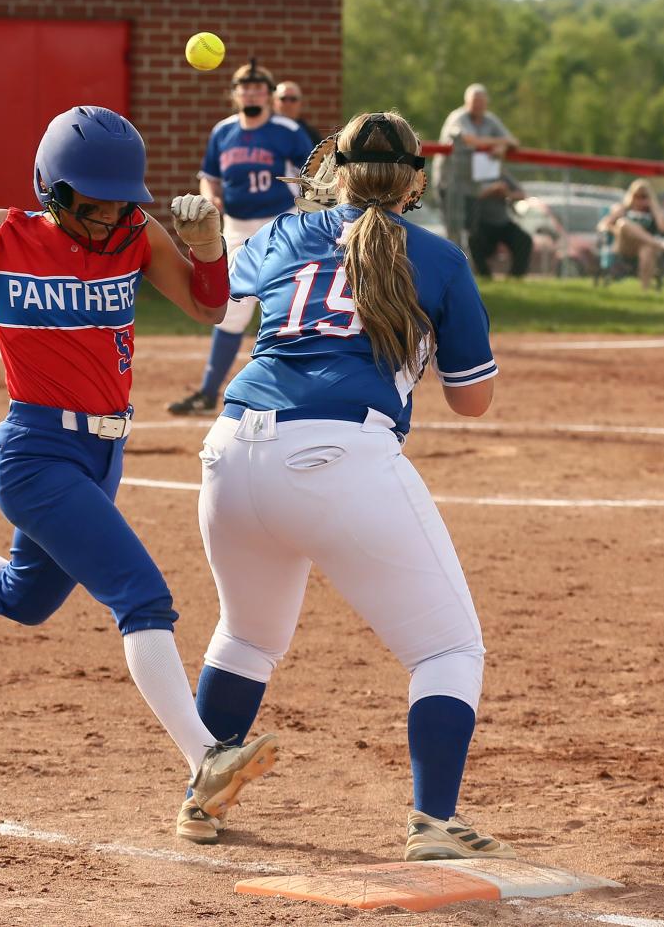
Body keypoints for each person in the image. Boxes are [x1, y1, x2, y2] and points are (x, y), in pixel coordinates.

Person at [0, 106, 279, 839]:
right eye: (91, 205)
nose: (107, 219)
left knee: (24, 597)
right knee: (143, 597)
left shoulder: (135, 235)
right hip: (35, 455)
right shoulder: (1, 234)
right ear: (53, 191)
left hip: (103, 456)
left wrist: (207, 248)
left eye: (118, 204)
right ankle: (206, 758)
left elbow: (210, 308)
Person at [185, 111, 514, 860]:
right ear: (416, 180)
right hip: (339, 453)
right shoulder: (435, 255)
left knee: (245, 634)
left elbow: (221, 308)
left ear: (332, 169)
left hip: (231, 449)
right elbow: (473, 397)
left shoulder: (276, 233)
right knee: (449, 648)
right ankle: (433, 821)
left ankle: (199, 794)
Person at [167, 60, 313, 416]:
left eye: (257, 87)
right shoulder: (223, 131)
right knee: (230, 310)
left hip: (281, 224)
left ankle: (303, 391)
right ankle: (207, 393)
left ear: (268, 94)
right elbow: (210, 176)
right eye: (243, 87)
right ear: (234, 95)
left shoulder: (287, 130)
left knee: (288, 305)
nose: (250, 92)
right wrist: (209, 195)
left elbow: (312, 176)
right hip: (235, 227)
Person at [434, 84, 517, 250]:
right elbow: (469, 139)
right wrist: (498, 143)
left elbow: (513, 141)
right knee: (453, 230)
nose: (478, 105)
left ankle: (467, 269)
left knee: (471, 232)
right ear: (466, 101)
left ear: (486, 102)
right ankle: (452, 267)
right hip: (450, 184)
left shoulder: (490, 119)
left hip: (473, 185)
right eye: (474, 101)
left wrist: (502, 147)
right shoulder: (457, 118)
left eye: (481, 101)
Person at [597, 179, 664, 290]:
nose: (639, 199)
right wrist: (615, 229)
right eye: (636, 196)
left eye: (644, 196)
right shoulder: (623, 209)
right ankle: (660, 245)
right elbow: (602, 225)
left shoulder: (655, 212)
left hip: (645, 247)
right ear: (631, 195)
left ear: (650, 197)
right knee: (624, 224)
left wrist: (653, 207)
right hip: (624, 247)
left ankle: (645, 290)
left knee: (647, 249)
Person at [469, 170, 531, 279]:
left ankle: (515, 277)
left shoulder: (500, 175)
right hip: (482, 224)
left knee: (524, 240)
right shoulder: (473, 175)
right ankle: (485, 276)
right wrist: (490, 191)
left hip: (503, 223)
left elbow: (522, 194)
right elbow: (470, 195)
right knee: (473, 240)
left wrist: (507, 193)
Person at [273, 80, 321, 146]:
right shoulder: (264, 129)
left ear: (301, 103)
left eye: (293, 99)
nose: (288, 104)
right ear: (273, 102)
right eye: (283, 98)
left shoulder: (309, 134)